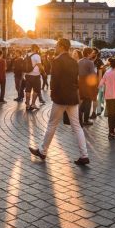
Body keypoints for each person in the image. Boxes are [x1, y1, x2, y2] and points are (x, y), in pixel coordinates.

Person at [29, 38, 89, 166]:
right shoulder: (74, 62)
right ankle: (84, 155)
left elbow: (54, 80)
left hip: (61, 98)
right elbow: (76, 79)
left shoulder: (56, 61)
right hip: (72, 97)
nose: (55, 48)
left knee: (52, 124)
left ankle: (43, 151)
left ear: (62, 46)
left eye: (57, 45)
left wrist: (52, 92)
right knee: (77, 126)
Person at [98, 57, 115, 139]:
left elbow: (101, 83)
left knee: (110, 114)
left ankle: (111, 132)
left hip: (108, 96)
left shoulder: (107, 72)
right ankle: (112, 133)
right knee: (114, 114)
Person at [78, 48, 96, 126]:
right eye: (91, 53)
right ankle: (85, 120)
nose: (92, 54)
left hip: (80, 83)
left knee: (84, 100)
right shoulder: (90, 62)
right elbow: (93, 75)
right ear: (88, 54)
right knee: (88, 101)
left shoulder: (79, 61)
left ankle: (79, 117)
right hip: (87, 83)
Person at [24, 44, 44, 112]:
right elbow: (40, 66)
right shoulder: (37, 56)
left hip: (28, 75)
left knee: (28, 90)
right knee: (36, 90)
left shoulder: (27, 55)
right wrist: (44, 72)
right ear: (35, 49)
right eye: (37, 49)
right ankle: (33, 104)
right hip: (35, 75)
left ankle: (27, 105)